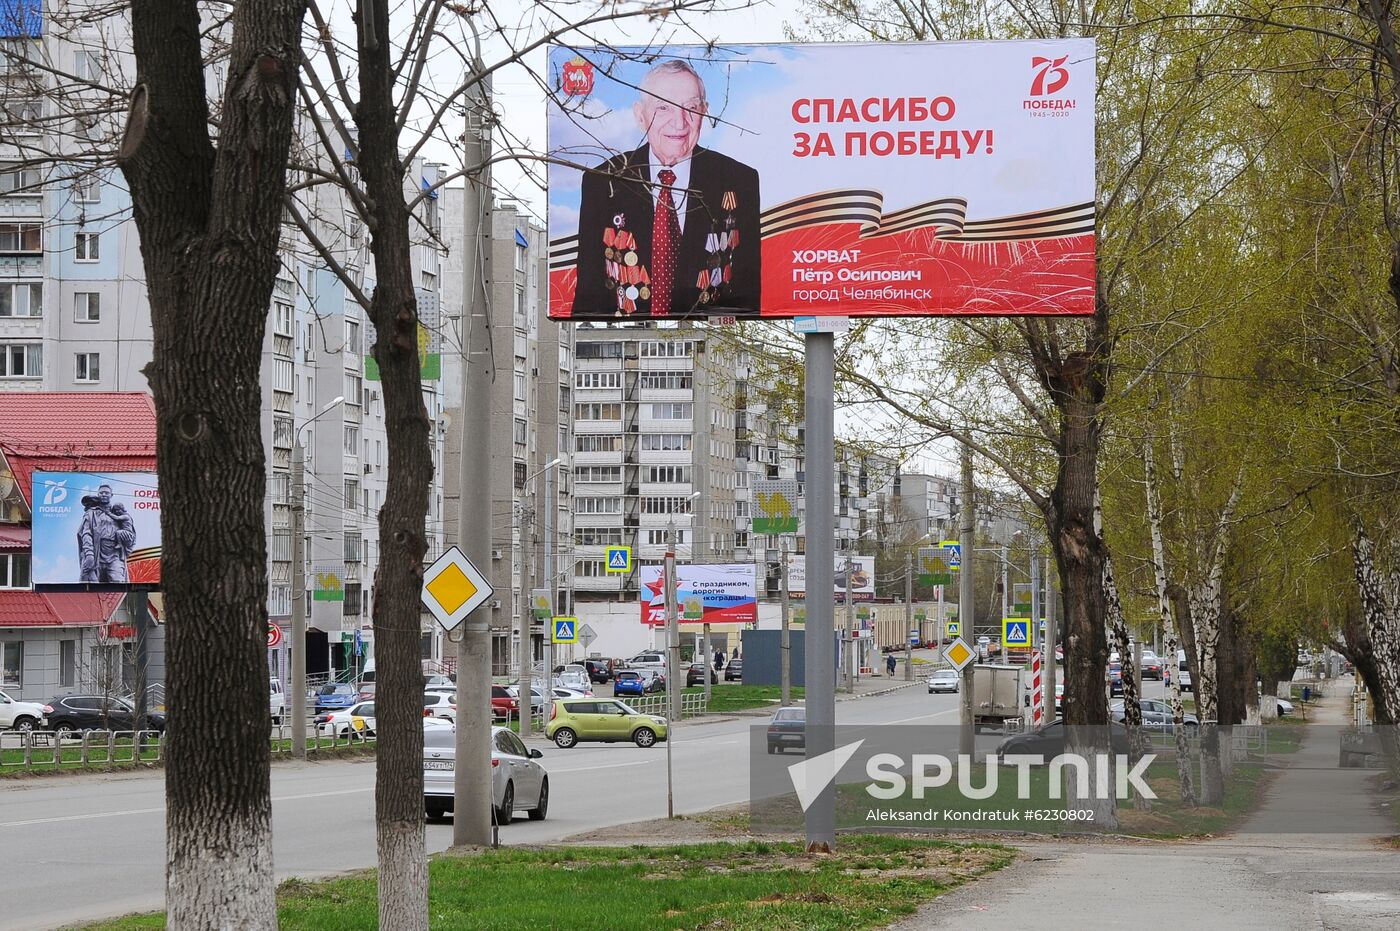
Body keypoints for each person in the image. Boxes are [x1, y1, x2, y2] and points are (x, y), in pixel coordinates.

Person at [571, 59, 762, 320]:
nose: (679, 123)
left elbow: (748, 296)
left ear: (705, 112)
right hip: (629, 335)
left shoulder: (739, 181)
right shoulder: (603, 182)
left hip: (708, 336)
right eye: (663, 108)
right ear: (640, 115)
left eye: (691, 108)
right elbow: (588, 298)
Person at [77, 484, 135, 584]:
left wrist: (126, 536)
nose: (104, 494)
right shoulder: (91, 513)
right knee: (93, 587)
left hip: (115, 553)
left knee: (118, 583)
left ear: (111, 495)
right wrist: (89, 554)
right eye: (101, 493)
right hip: (97, 553)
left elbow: (131, 536)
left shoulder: (118, 513)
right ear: (98, 495)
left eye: (106, 493)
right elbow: (86, 534)